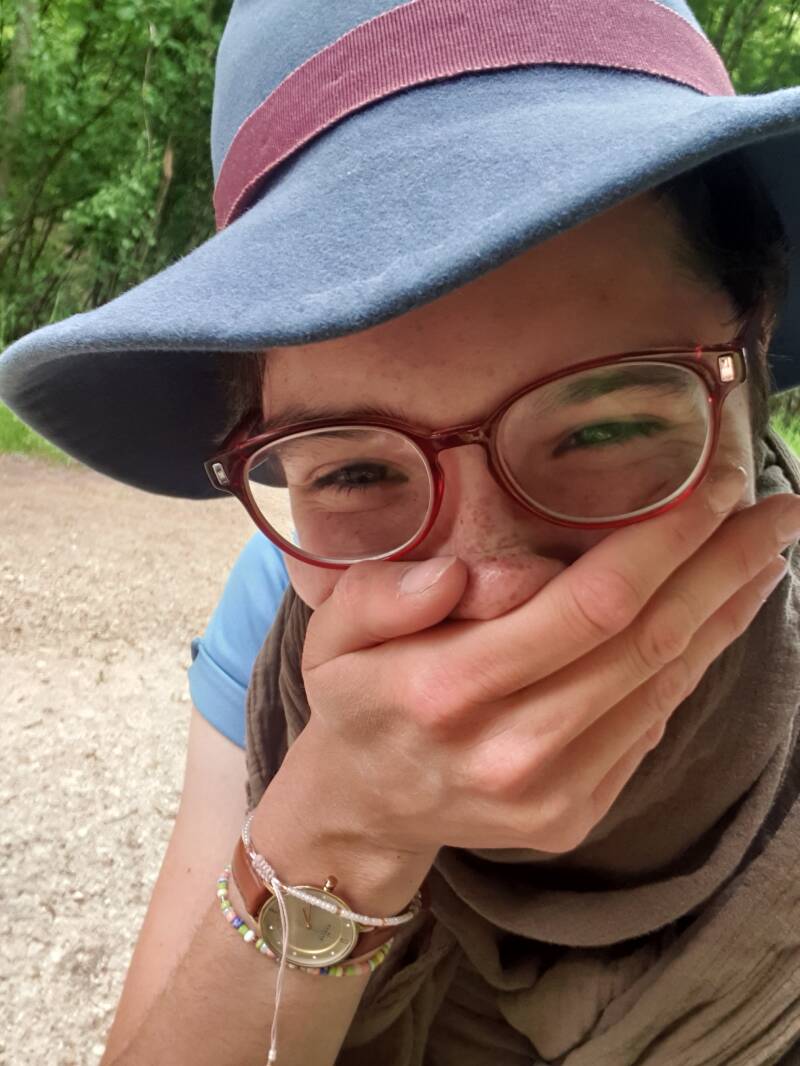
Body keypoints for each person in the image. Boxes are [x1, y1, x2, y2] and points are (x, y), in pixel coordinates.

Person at [2, 2, 800, 1064]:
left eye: (602, 429)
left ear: (754, 360)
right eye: (358, 471)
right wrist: (339, 827)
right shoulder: (273, 605)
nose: (494, 587)